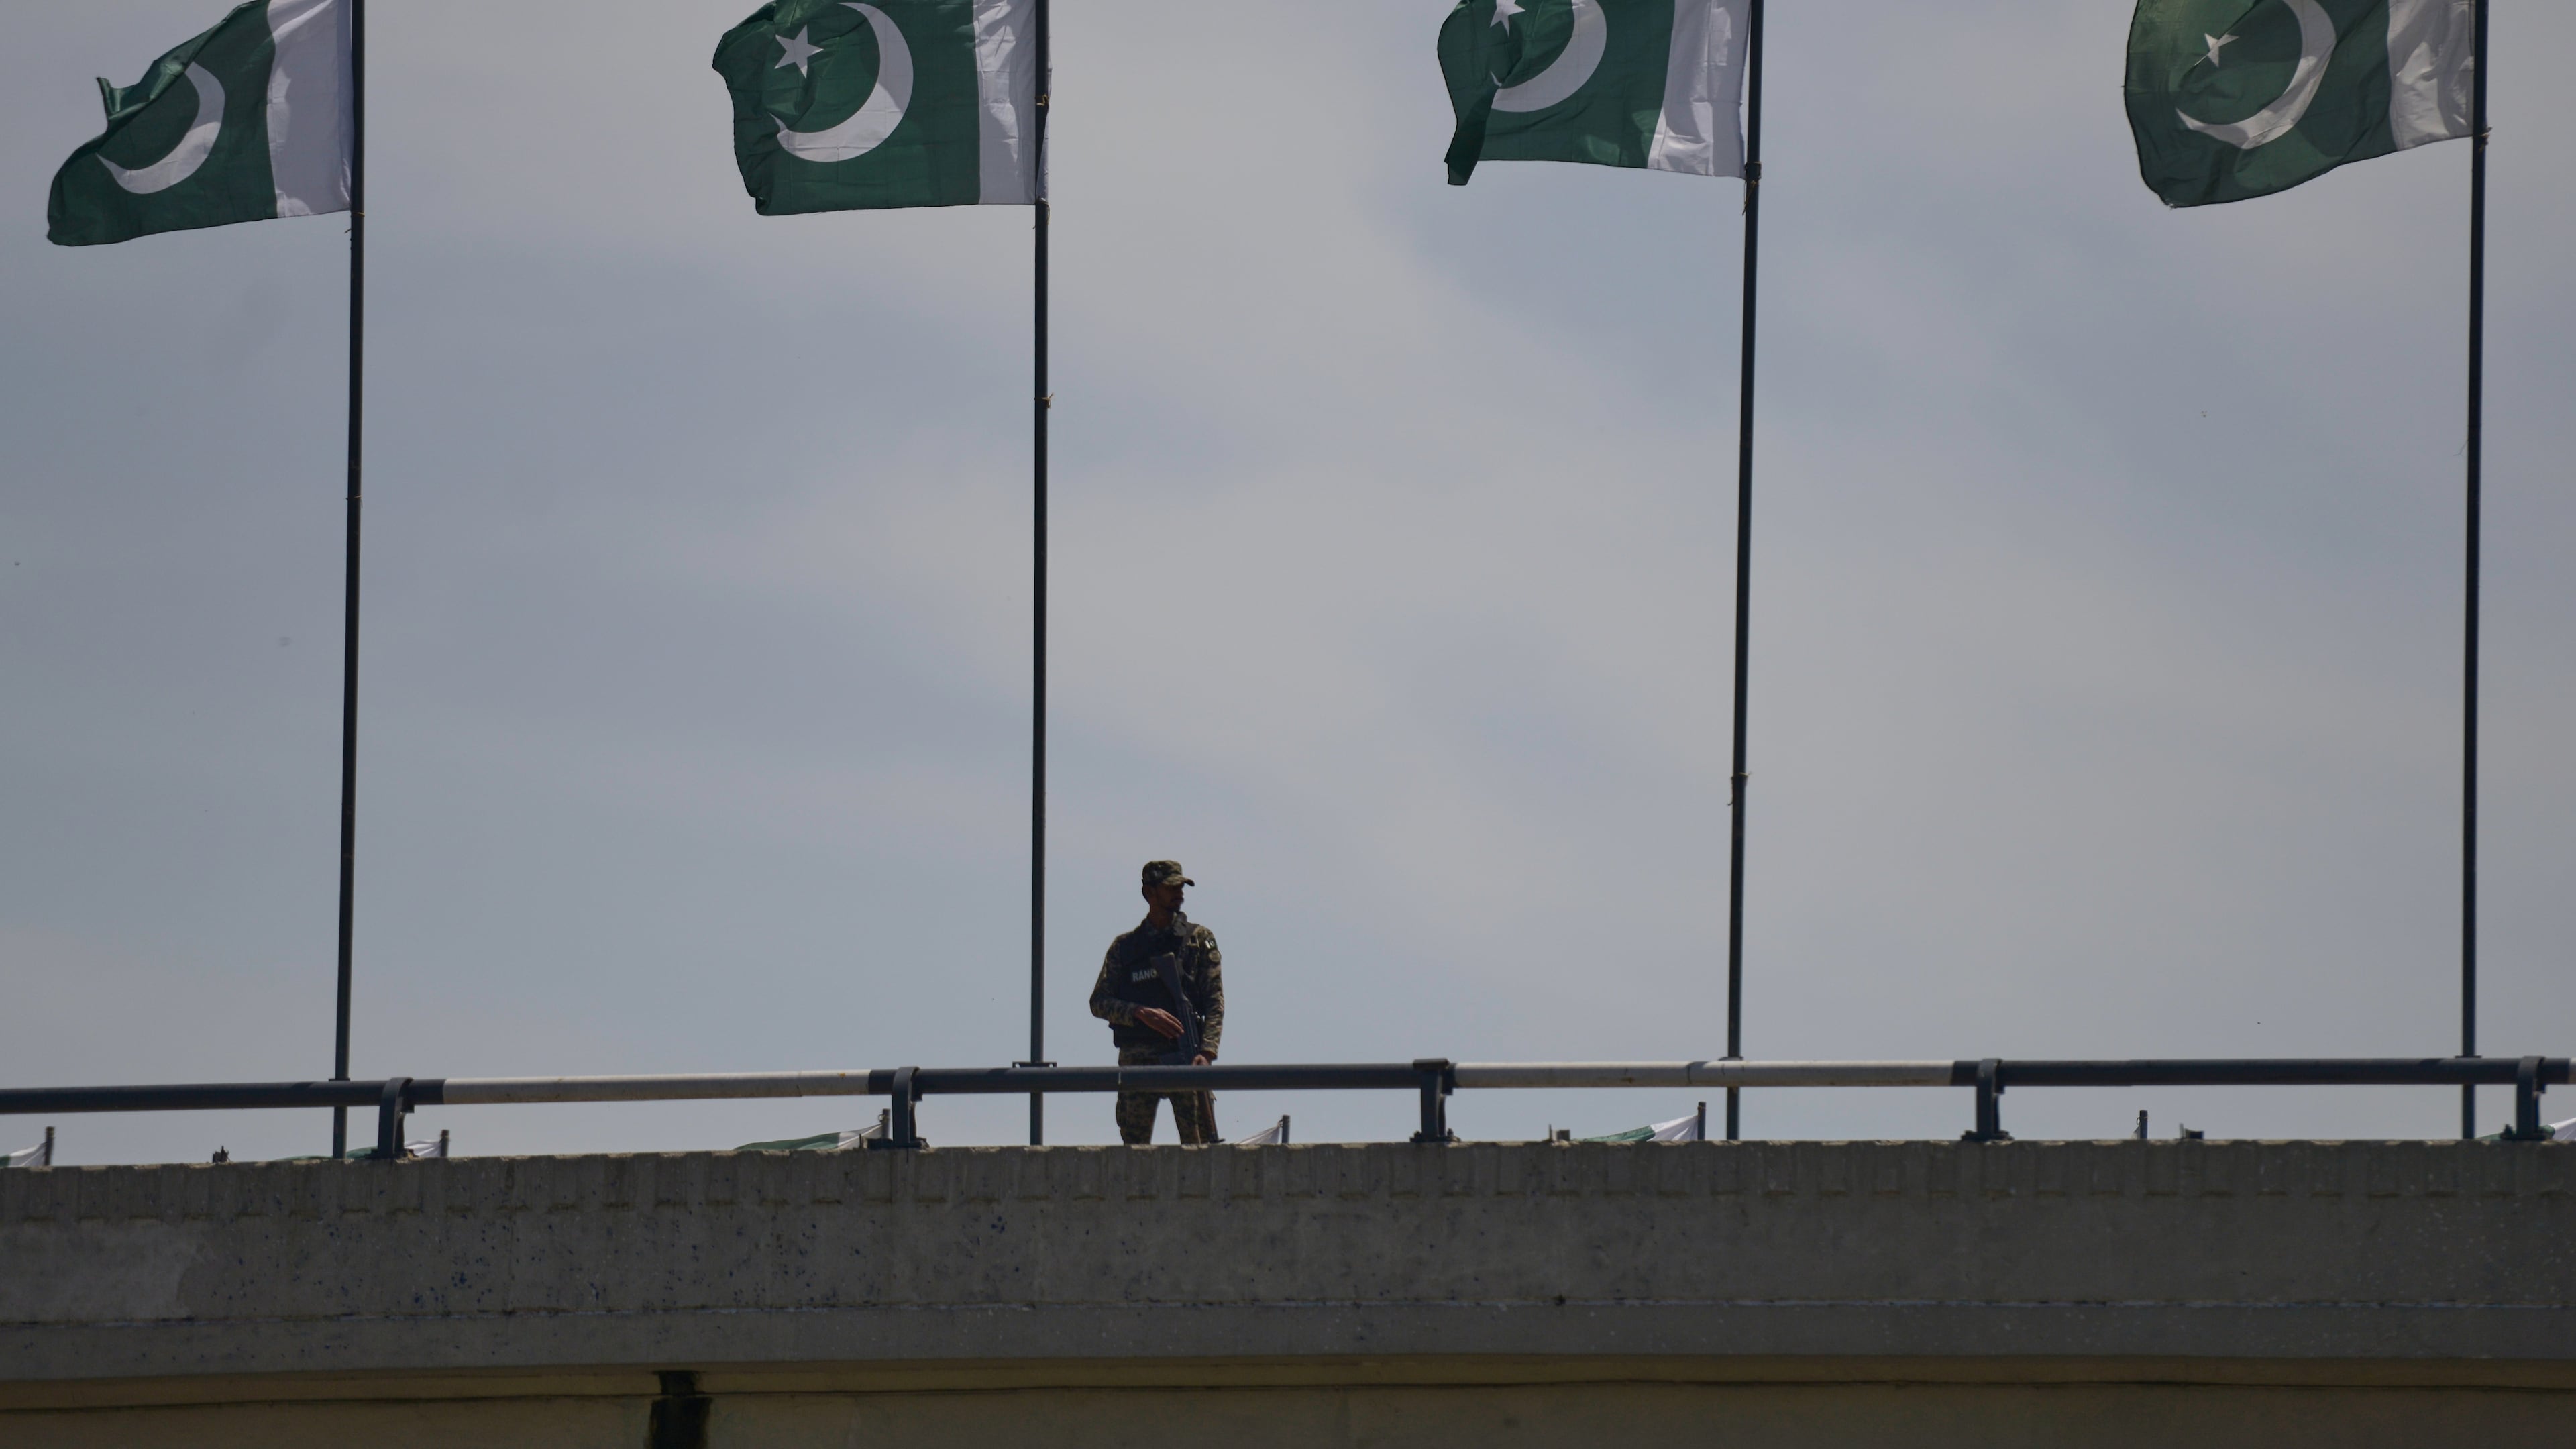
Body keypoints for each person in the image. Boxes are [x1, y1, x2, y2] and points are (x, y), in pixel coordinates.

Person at [1089, 860, 1224, 1144]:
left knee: (1200, 1149)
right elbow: (1099, 1002)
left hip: (1186, 1056)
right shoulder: (1125, 948)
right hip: (1138, 1060)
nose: (1179, 892)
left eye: (1181, 886)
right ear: (1149, 893)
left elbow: (1215, 1002)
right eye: (1170, 887)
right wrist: (1139, 1013)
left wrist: (1208, 1052)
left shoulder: (1198, 940)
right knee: (1134, 1154)